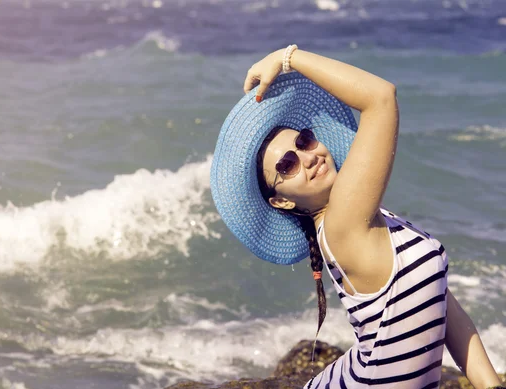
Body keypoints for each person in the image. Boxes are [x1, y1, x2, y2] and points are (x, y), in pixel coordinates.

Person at [210, 45, 504, 389]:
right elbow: (380, 97)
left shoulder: (362, 218)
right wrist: (287, 57)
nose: (308, 157)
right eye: (287, 166)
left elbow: (440, 301)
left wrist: (491, 385)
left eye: (305, 141)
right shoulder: (341, 225)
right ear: (282, 202)